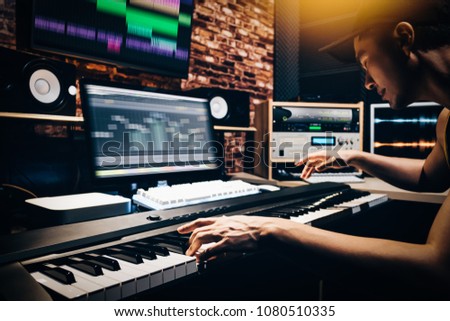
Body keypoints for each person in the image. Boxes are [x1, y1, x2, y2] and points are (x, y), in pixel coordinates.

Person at [178, 0, 450, 299]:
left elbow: (437, 269)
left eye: (365, 63)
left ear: (404, 38)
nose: (369, 83)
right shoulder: (447, 120)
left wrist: (271, 230)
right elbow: (429, 176)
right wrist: (350, 156)